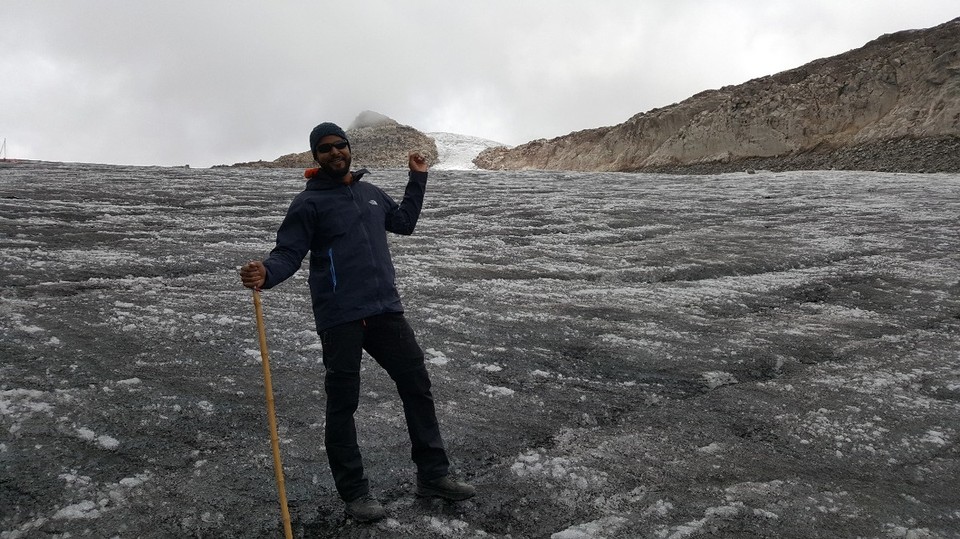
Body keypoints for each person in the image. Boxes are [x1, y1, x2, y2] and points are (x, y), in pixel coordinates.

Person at [239, 122, 475, 522]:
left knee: (417, 385)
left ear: (349, 149)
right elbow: (288, 252)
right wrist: (267, 272)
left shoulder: (368, 193)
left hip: (384, 308)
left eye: (340, 146)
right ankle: (355, 493)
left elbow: (403, 223)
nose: (335, 153)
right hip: (340, 315)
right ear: (315, 156)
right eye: (326, 149)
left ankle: (434, 474)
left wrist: (418, 178)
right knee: (344, 404)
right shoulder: (308, 204)